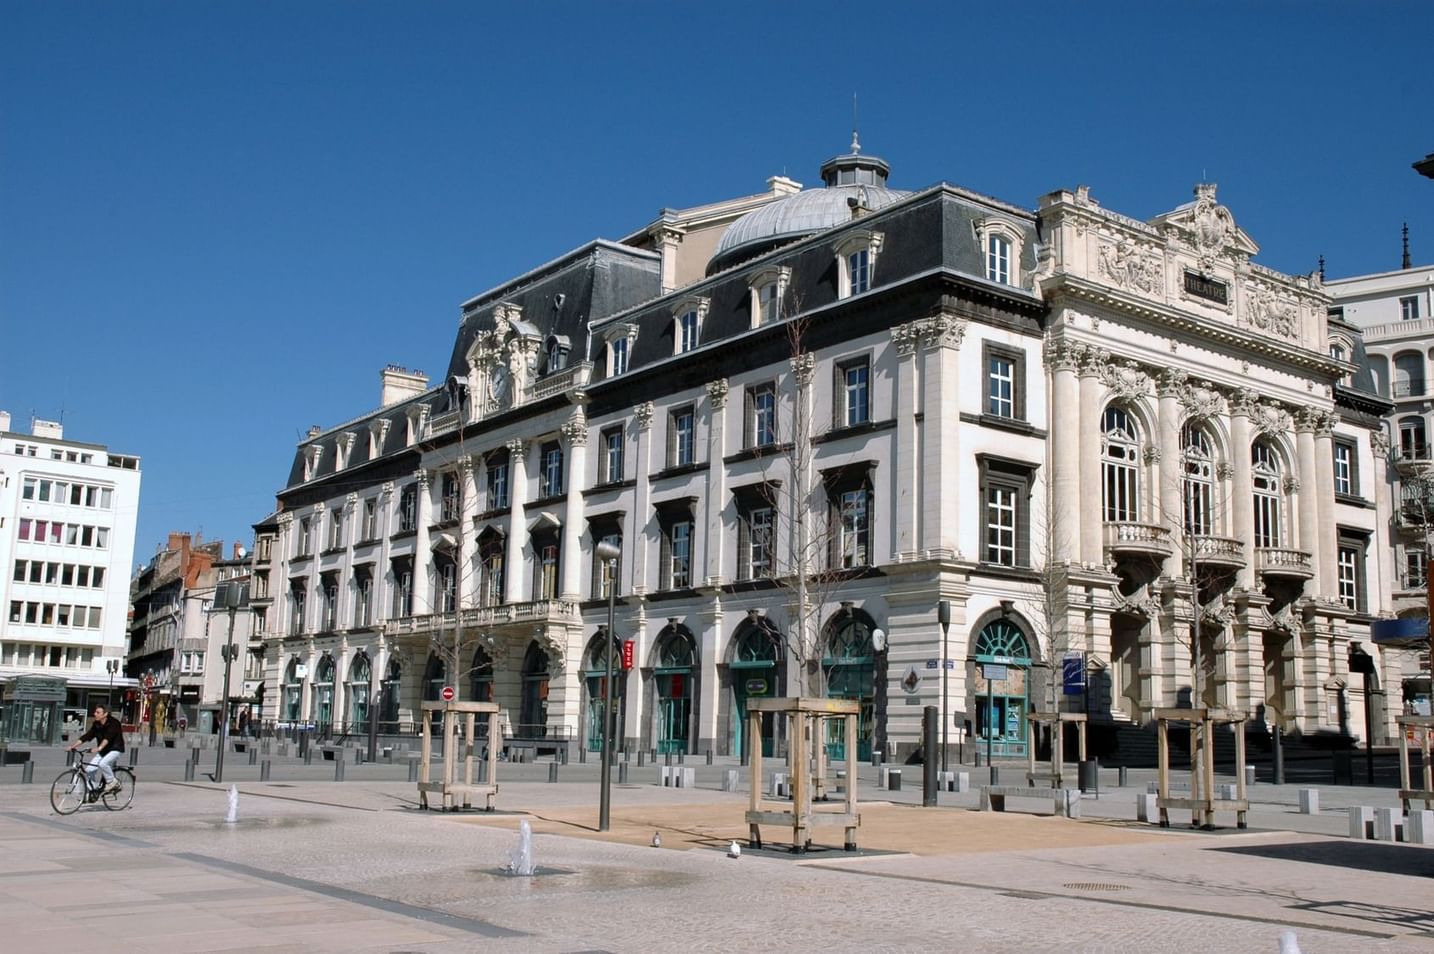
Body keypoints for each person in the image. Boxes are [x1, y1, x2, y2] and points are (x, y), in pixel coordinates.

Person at [67, 703, 125, 794]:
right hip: (103, 751)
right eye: (95, 712)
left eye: (98, 712)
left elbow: (107, 738)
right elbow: (87, 736)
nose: (95, 714)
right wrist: (73, 746)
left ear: (105, 714)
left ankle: (112, 782)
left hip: (115, 749)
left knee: (103, 763)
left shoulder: (114, 723)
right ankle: (93, 792)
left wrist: (98, 748)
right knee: (89, 770)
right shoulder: (96, 724)